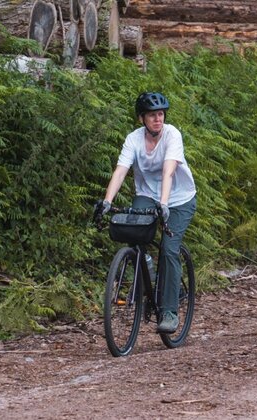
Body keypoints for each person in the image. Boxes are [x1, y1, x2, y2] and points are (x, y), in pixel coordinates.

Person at [93, 92, 197, 333]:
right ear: (142, 119)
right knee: (133, 234)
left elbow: (169, 170)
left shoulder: (172, 135)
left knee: (169, 248)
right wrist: (107, 201)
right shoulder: (134, 139)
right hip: (147, 195)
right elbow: (121, 170)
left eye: (161, 114)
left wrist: (164, 203)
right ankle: (146, 267)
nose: (158, 119)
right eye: (152, 115)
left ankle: (169, 311)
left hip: (179, 199)